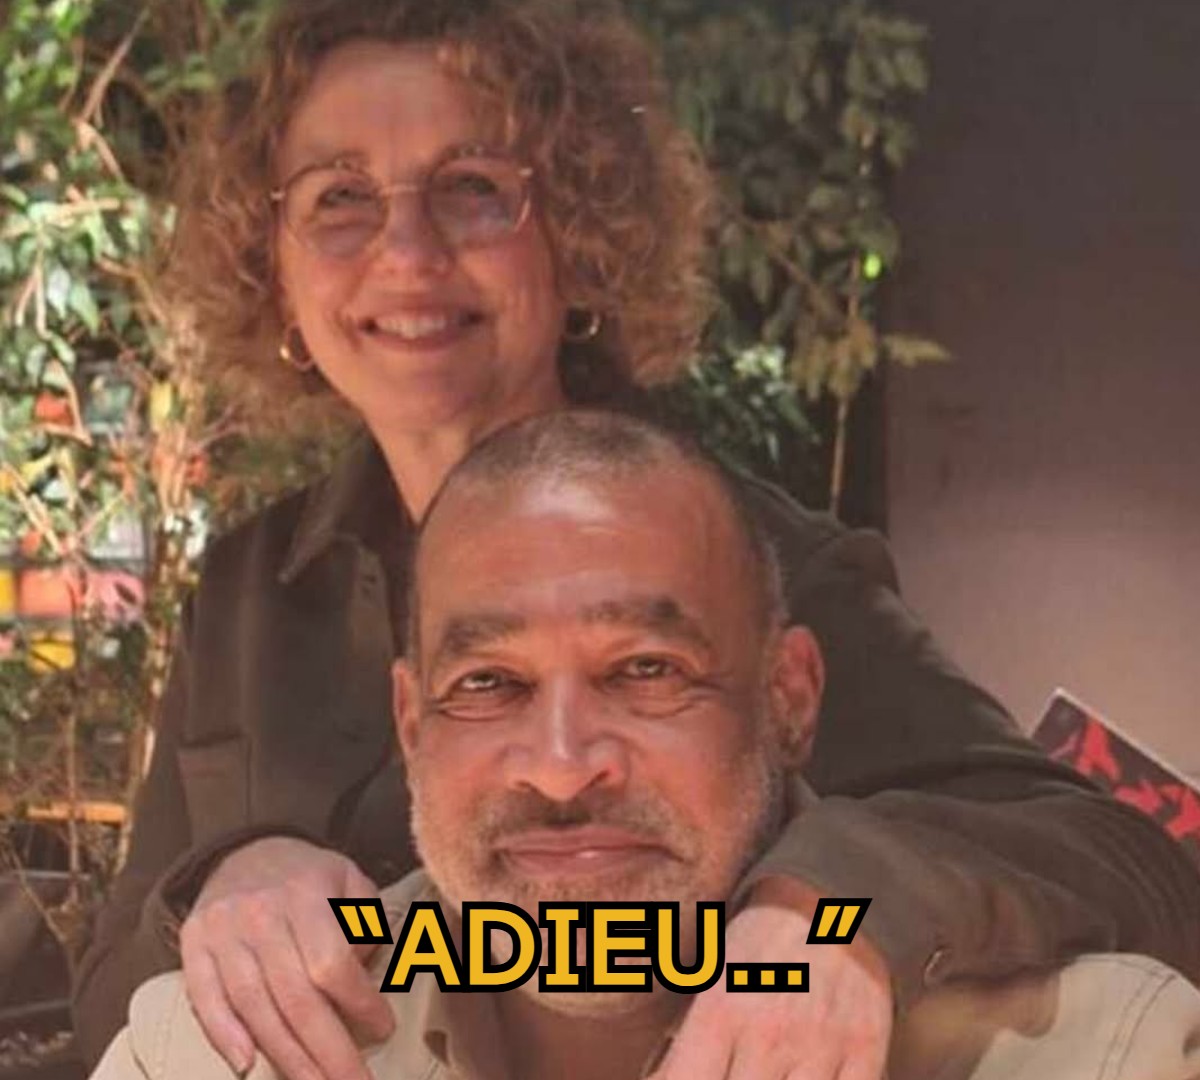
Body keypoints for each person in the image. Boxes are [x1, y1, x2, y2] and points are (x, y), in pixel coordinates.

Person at [71, 0, 1200, 1077]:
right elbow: (109, 994)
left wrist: (832, 905)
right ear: (270, 258)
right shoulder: (251, 588)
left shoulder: (753, 562)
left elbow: (1117, 857)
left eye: (473, 188)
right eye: (340, 197)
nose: (406, 254)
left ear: (577, 231)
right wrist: (223, 886)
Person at [87, 411, 1200, 1080]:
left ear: (788, 697)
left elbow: (1111, 848)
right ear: (410, 724)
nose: (562, 764)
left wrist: (836, 911)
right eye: (489, 684)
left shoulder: (1100, 1054)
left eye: (647, 672)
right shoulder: (207, 1056)